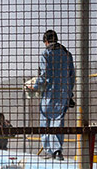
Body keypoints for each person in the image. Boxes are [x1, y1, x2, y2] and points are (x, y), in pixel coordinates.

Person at [28, 30, 75, 161]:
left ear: (46, 41)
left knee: (46, 120)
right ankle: (58, 151)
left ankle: (49, 149)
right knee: (58, 121)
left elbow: (44, 75)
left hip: (50, 93)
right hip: (63, 94)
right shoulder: (67, 54)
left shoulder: (46, 54)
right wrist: (69, 93)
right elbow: (72, 76)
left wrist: (34, 87)